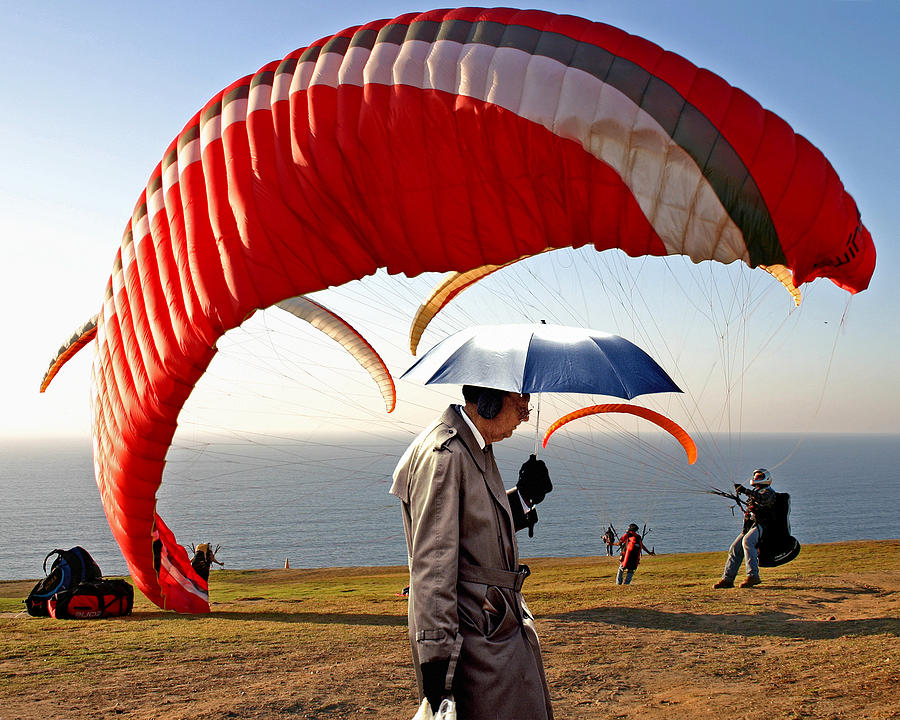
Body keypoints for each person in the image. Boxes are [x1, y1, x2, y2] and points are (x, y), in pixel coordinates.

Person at [390, 385, 554, 719]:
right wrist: (438, 673)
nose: (526, 414)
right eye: (521, 401)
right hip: (475, 640)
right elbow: (433, 568)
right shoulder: (444, 457)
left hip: (490, 627)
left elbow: (473, 523)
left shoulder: (473, 446)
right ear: (489, 402)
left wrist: (523, 497)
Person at [714, 468, 777, 588]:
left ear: (766, 478)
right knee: (735, 549)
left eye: (759, 477)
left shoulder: (769, 492)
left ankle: (753, 576)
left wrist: (745, 491)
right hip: (751, 526)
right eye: (756, 476)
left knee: (747, 542)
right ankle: (728, 579)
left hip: (763, 526)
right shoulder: (756, 492)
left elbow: (762, 499)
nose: (756, 479)